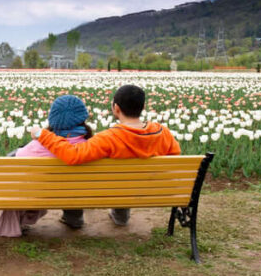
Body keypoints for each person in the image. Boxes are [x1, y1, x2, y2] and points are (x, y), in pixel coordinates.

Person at [30, 85, 181, 226]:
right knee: (126, 181)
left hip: (115, 189)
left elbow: (73, 155)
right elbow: (174, 158)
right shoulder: (163, 133)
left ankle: (116, 212)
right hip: (153, 190)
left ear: (116, 108)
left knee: (121, 181)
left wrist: (41, 134)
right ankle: (121, 214)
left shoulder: (109, 138)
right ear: (143, 107)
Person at [0, 95, 93, 237]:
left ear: (53, 119)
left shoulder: (38, 145)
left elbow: (11, 163)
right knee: (73, 183)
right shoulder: (89, 146)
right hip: (75, 192)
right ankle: (74, 219)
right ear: (82, 119)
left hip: (41, 193)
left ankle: (21, 220)